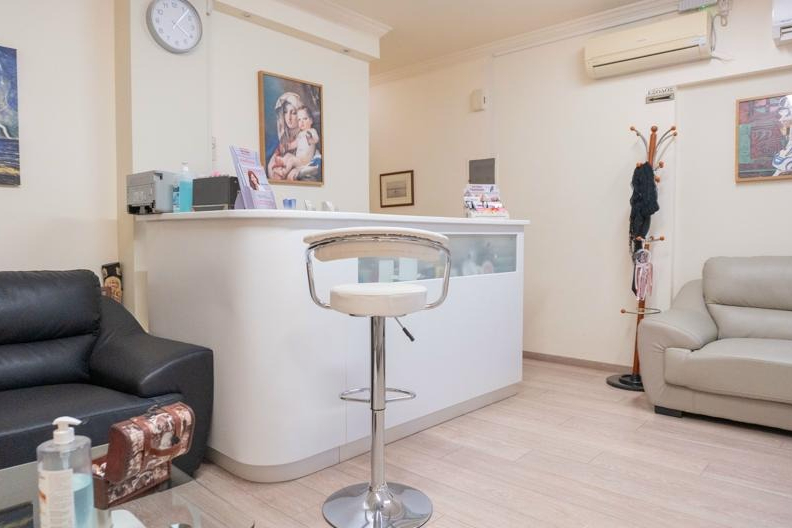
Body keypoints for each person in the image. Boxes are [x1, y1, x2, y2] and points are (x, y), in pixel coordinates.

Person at [270, 106, 320, 181]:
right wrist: (287, 146)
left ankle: (283, 172)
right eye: (299, 120)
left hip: (305, 162)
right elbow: (294, 144)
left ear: (311, 121)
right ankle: (282, 162)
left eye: (305, 119)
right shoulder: (300, 134)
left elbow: (316, 139)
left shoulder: (311, 131)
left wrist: (311, 138)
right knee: (288, 155)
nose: (302, 122)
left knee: (292, 160)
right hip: (299, 159)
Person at [267, 92, 303, 180]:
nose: (288, 117)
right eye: (285, 112)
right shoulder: (283, 138)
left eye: (293, 113)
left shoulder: (304, 136)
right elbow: (271, 166)